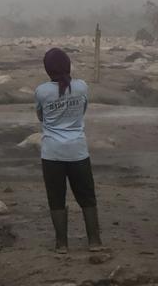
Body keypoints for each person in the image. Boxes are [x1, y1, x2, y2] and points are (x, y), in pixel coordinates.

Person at [35, 47, 105, 254]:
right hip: (78, 151)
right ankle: (94, 241)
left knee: (56, 198)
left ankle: (61, 244)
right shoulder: (81, 87)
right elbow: (83, 111)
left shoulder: (42, 91)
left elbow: (41, 117)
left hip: (52, 152)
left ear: (47, 69)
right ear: (68, 65)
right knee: (87, 197)